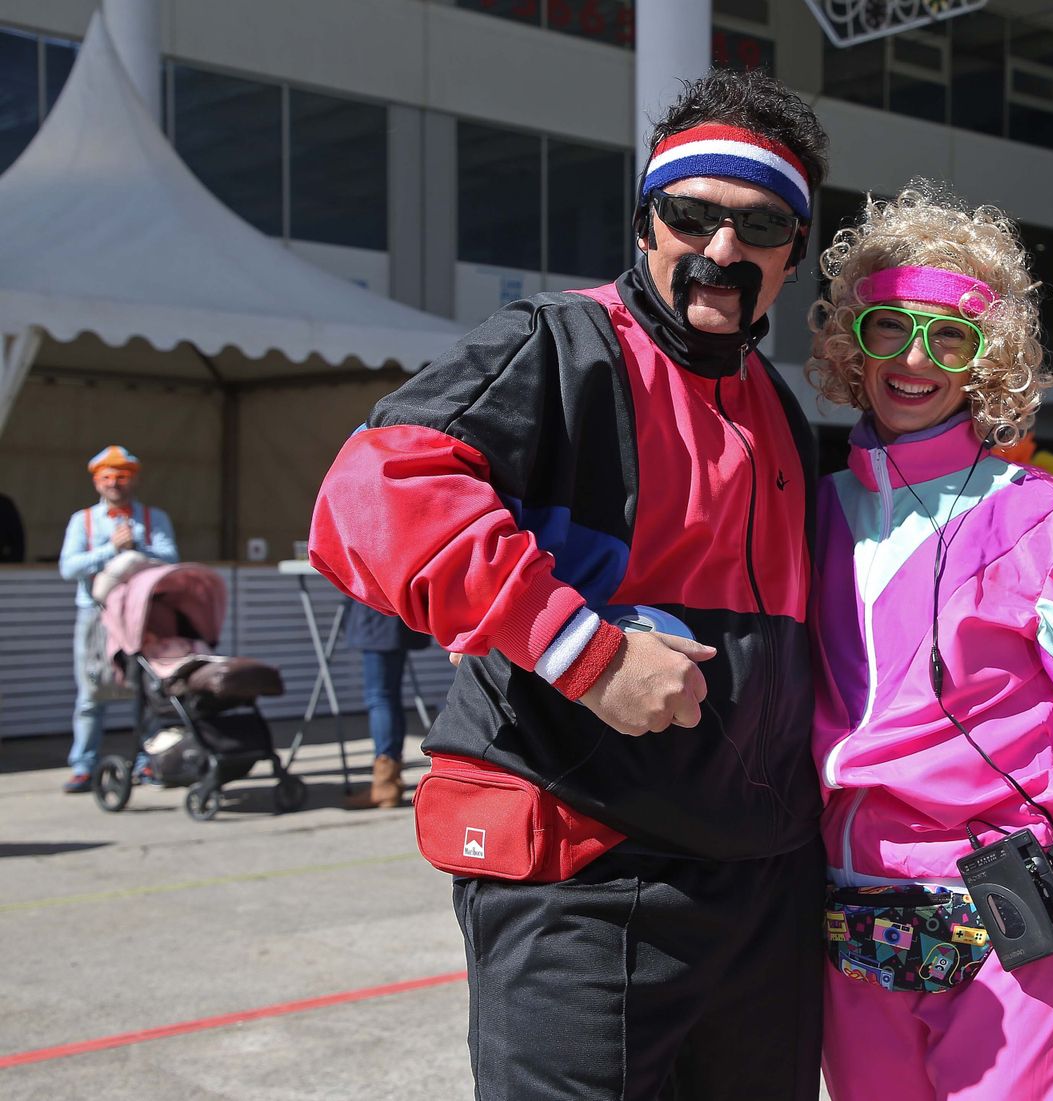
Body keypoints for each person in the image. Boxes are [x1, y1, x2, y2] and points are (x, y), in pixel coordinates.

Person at [309, 70, 829, 1099]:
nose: (721, 248)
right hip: (585, 875)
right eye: (692, 214)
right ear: (646, 227)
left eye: (760, 224)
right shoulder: (559, 345)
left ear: (789, 259)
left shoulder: (780, 403)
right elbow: (372, 494)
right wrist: (584, 654)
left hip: (761, 889)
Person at [806, 185, 1053, 1101]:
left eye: (952, 337)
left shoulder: (1040, 514)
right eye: (891, 327)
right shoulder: (811, 513)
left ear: (988, 360)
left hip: (1015, 922)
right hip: (854, 910)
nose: (916, 359)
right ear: (855, 339)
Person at [57, 446, 179, 793]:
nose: (115, 484)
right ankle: (84, 765)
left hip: (142, 614)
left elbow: (170, 557)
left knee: (148, 689)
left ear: (133, 479)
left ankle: (148, 761)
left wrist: (135, 546)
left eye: (121, 477)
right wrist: (111, 549)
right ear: (97, 482)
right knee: (91, 691)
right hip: (95, 615)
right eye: (107, 477)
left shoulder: (154, 519)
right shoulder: (82, 521)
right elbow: (69, 567)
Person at [342, 601, 430, 809]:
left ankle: (385, 783)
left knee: (380, 697)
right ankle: (390, 778)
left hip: (379, 616)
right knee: (388, 697)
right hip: (399, 613)